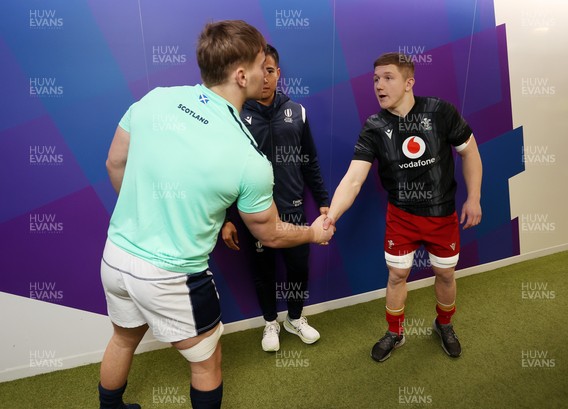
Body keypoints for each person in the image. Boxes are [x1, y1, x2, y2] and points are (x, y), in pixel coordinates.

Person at [98, 20, 333, 409]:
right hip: (173, 275)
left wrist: (149, 214)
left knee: (123, 337)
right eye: (262, 63)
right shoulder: (248, 158)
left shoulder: (155, 99)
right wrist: (312, 234)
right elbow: (271, 234)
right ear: (242, 75)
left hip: (116, 257)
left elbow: (114, 162)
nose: (267, 71)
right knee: (207, 364)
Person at [323, 52, 482, 362]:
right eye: (375, 80)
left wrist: (473, 197)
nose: (379, 86)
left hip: (442, 214)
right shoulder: (374, 126)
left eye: (388, 78)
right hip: (402, 216)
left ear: (409, 82)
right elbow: (354, 179)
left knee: (445, 274)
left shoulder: (439, 111)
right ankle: (395, 333)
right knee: (397, 274)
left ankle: (444, 325)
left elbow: (470, 152)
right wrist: (332, 216)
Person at [221, 44, 329, 352]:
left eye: (270, 71)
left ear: (278, 74)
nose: (265, 78)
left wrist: (322, 198)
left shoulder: (297, 111)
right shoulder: (236, 115)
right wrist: (227, 219)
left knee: (298, 269)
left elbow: (309, 159)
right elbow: (228, 171)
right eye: (260, 71)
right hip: (253, 214)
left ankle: (295, 318)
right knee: (263, 272)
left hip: (293, 210)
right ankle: (270, 322)